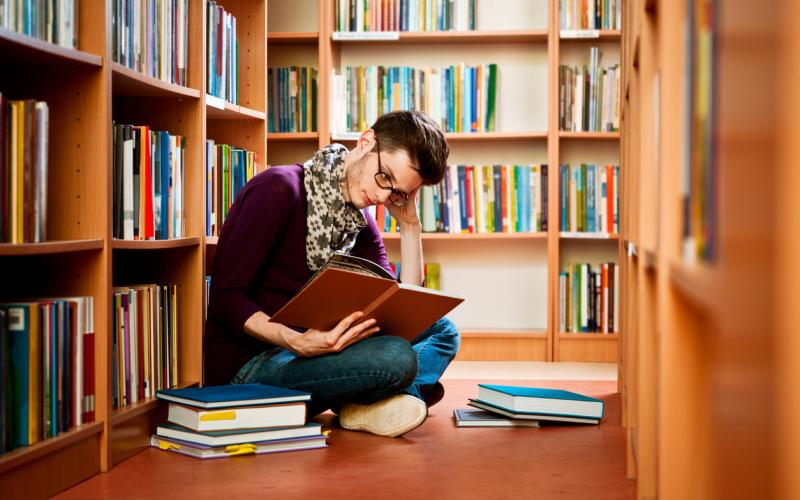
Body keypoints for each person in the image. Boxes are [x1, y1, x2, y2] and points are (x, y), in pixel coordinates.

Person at [204, 110, 461, 437]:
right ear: (366, 142)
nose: (383, 198)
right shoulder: (278, 190)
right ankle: (382, 399)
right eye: (384, 177)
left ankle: (382, 402)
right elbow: (226, 300)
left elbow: (400, 306)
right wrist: (297, 341)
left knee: (442, 329)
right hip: (253, 365)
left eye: (398, 193)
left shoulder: (358, 218)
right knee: (397, 357)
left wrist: (410, 226)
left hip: (320, 354)